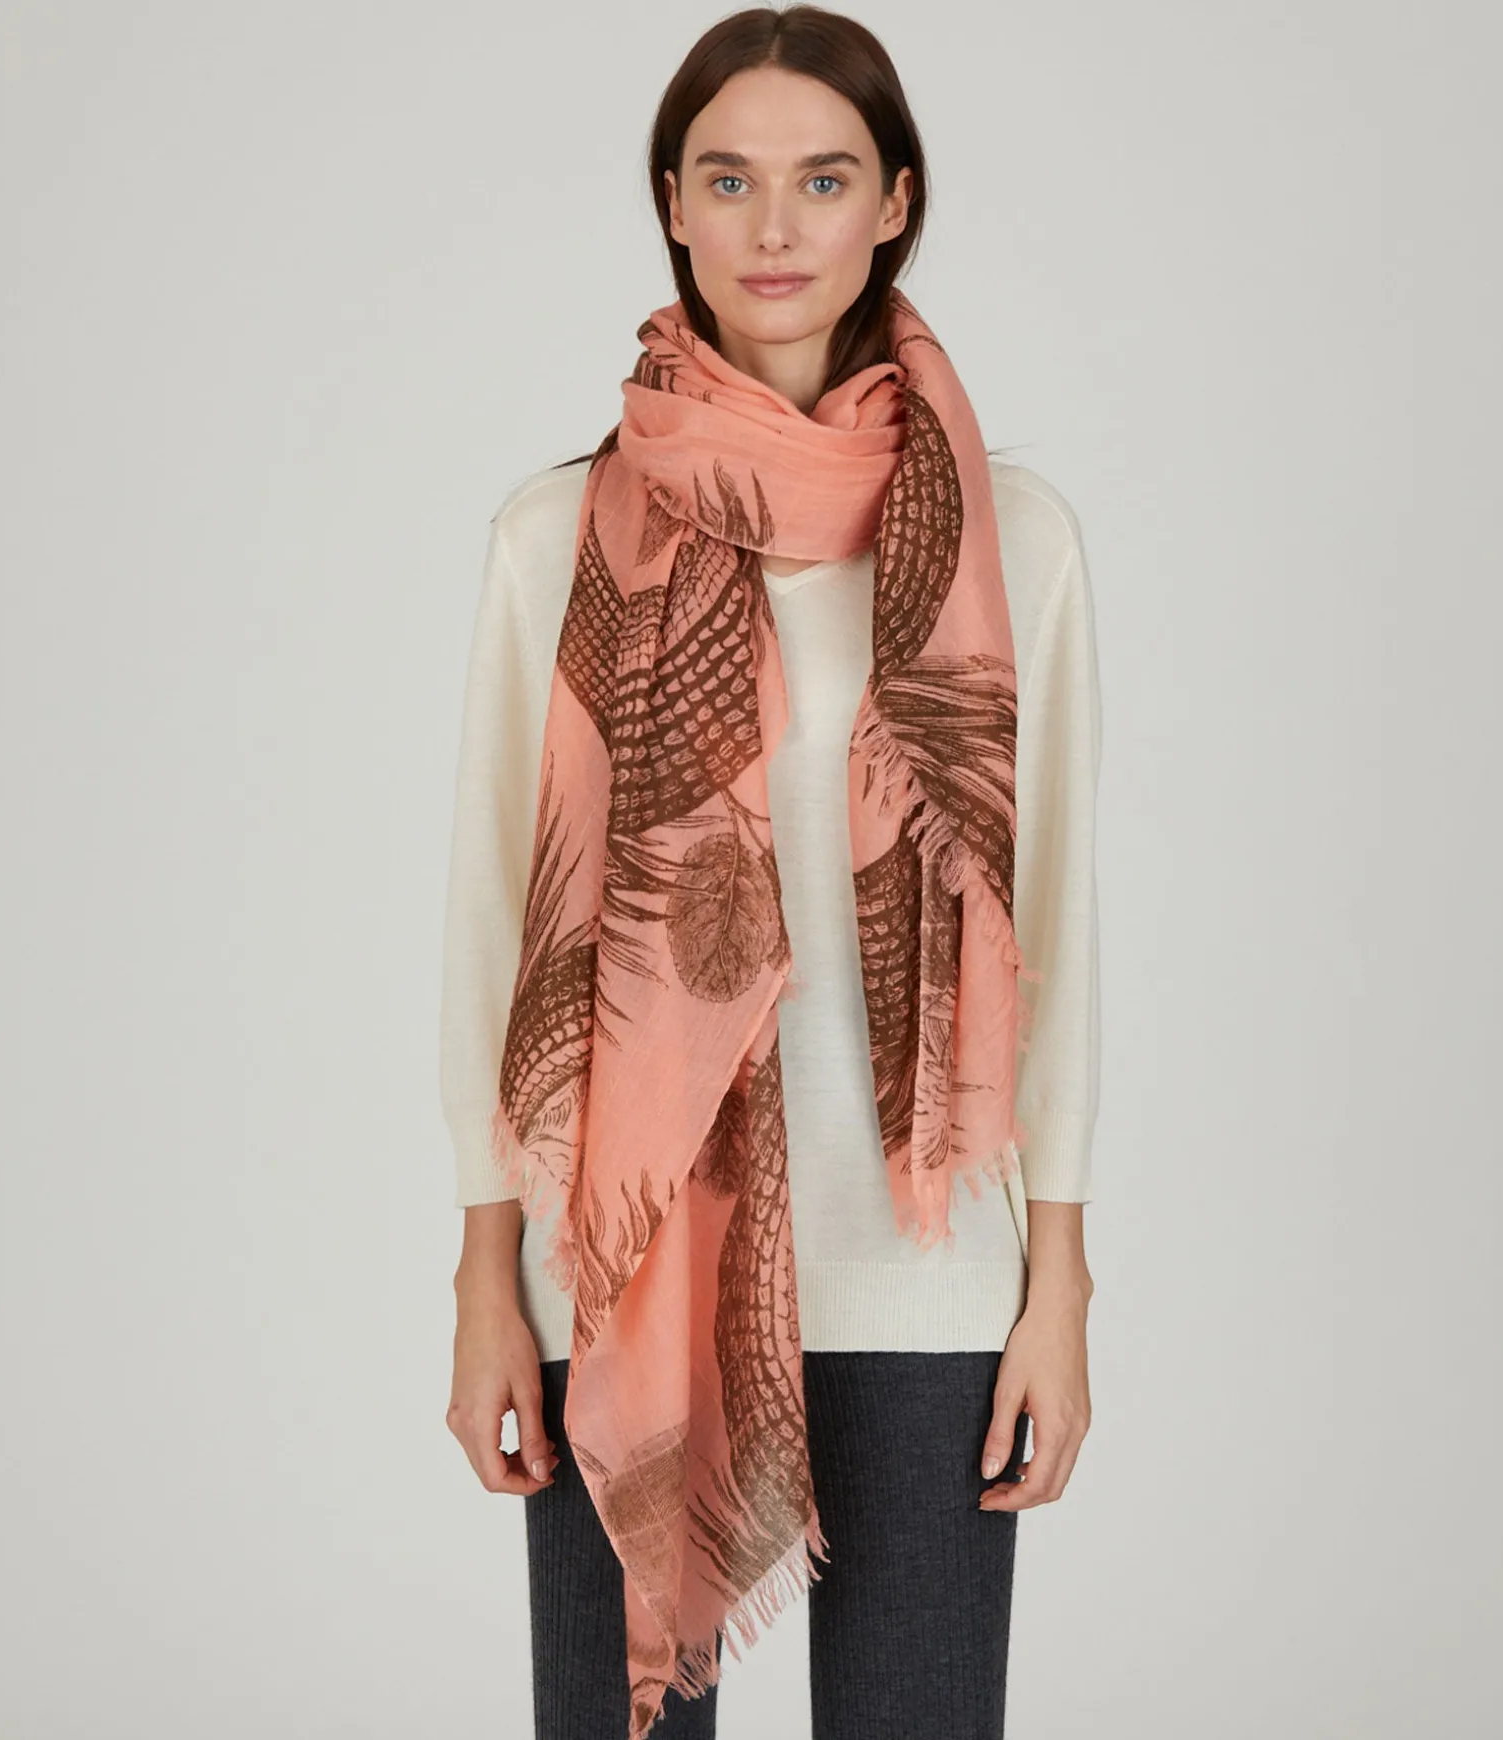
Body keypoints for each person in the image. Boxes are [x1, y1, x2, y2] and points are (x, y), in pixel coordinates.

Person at [439, 9, 1101, 1738]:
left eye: (824, 179)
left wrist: (1061, 1282)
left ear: (896, 202)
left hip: (926, 1270)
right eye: (729, 181)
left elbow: (1061, 926)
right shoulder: (555, 539)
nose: (776, 227)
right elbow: (494, 934)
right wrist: (485, 1275)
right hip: (625, 1271)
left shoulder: (1010, 540)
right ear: (674, 203)